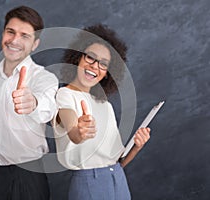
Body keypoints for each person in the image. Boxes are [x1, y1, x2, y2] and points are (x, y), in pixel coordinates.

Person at [0, 6, 58, 200]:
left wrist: (32, 103)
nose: (14, 40)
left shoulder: (44, 79)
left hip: (28, 179)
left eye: (25, 36)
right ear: (3, 34)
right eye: (10, 32)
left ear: (35, 44)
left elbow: (47, 108)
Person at [53, 24, 151, 200]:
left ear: (107, 73)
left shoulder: (105, 105)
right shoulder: (64, 95)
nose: (95, 66)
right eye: (90, 57)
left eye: (103, 64)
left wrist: (137, 146)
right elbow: (73, 131)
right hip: (89, 184)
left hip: (119, 181)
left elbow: (118, 162)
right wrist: (79, 131)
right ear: (78, 58)